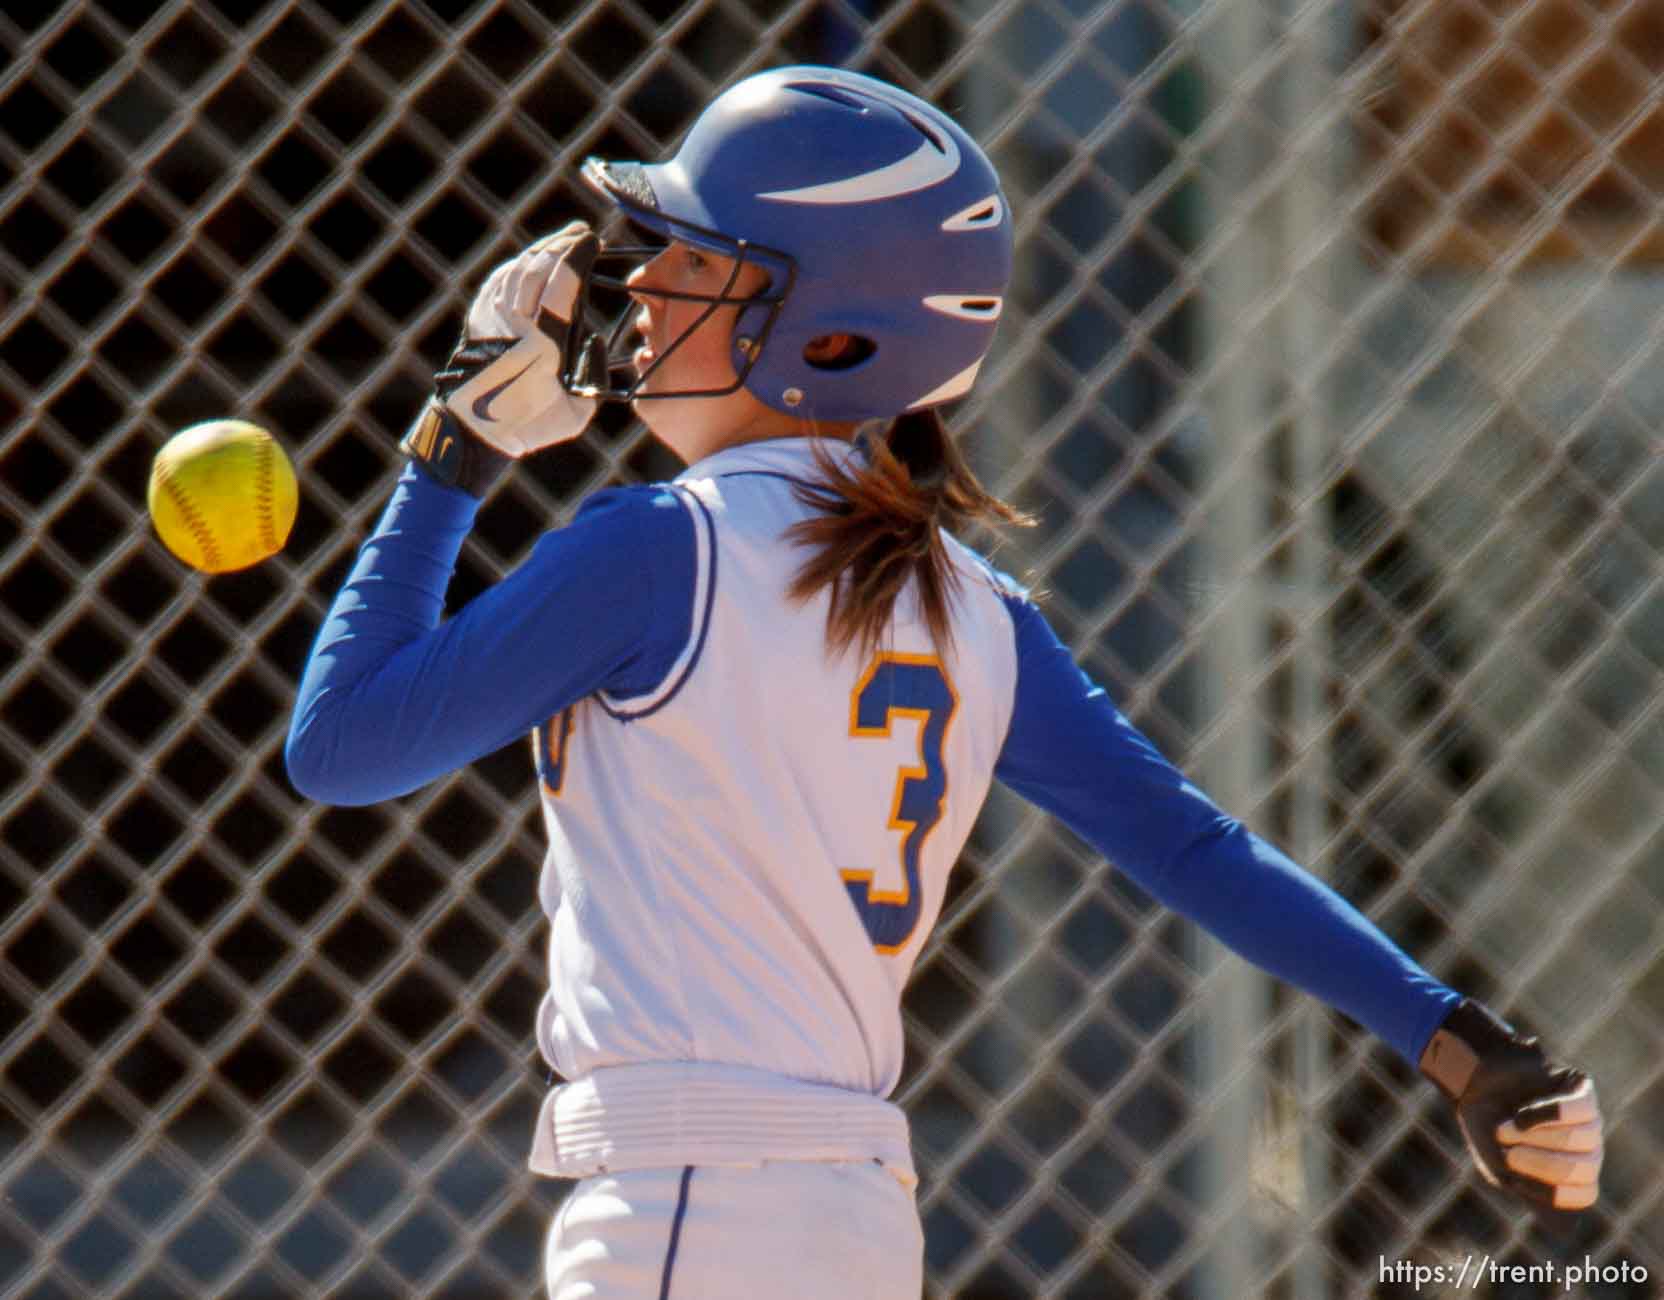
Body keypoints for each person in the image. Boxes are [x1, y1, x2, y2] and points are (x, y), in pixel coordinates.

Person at [285, 65, 1603, 1299]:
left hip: (683, 1208)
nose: (643, 290)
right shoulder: (975, 607)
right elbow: (1197, 852)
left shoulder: (654, 548)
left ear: (828, 339)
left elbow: (341, 745)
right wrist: (1460, 1042)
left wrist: (447, 453)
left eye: (698, 260)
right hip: (857, 1218)